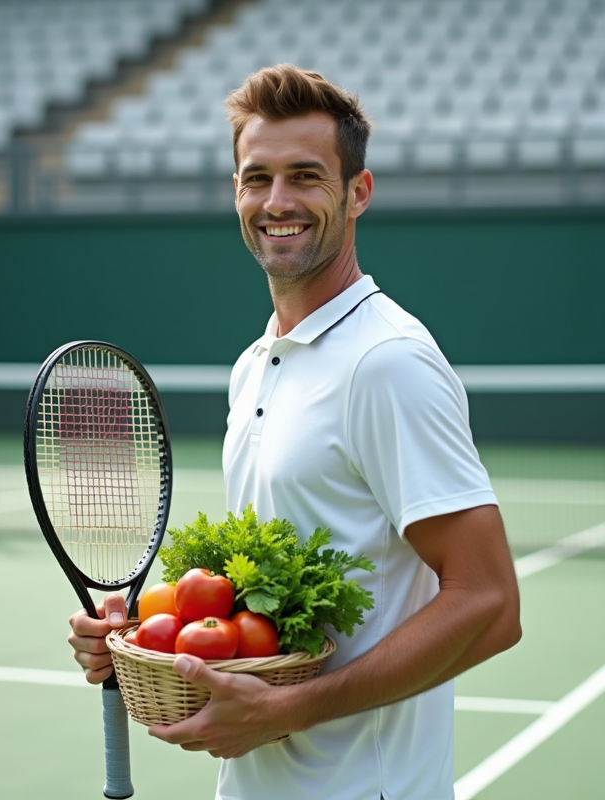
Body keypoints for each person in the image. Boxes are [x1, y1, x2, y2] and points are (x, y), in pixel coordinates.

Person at [69, 63, 521, 800]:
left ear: (357, 194)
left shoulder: (387, 362)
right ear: (236, 193)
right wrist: (148, 636)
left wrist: (288, 709)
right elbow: (275, 602)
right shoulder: (255, 364)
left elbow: (491, 605)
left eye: (306, 177)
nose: (277, 202)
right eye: (257, 178)